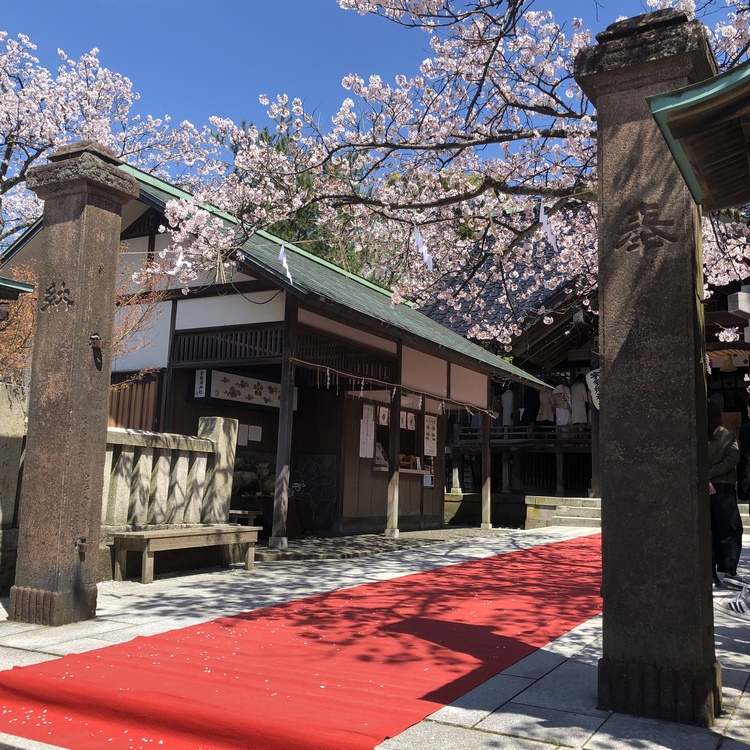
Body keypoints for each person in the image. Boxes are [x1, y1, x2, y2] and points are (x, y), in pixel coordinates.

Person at [707, 400, 746, 588]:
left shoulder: (697, 436)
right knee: (731, 528)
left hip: (704, 488)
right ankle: (730, 570)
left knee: (709, 530)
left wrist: (705, 477)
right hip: (723, 486)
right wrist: (713, 474)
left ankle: (711, 573)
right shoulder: (727, 434)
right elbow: (733, 458)